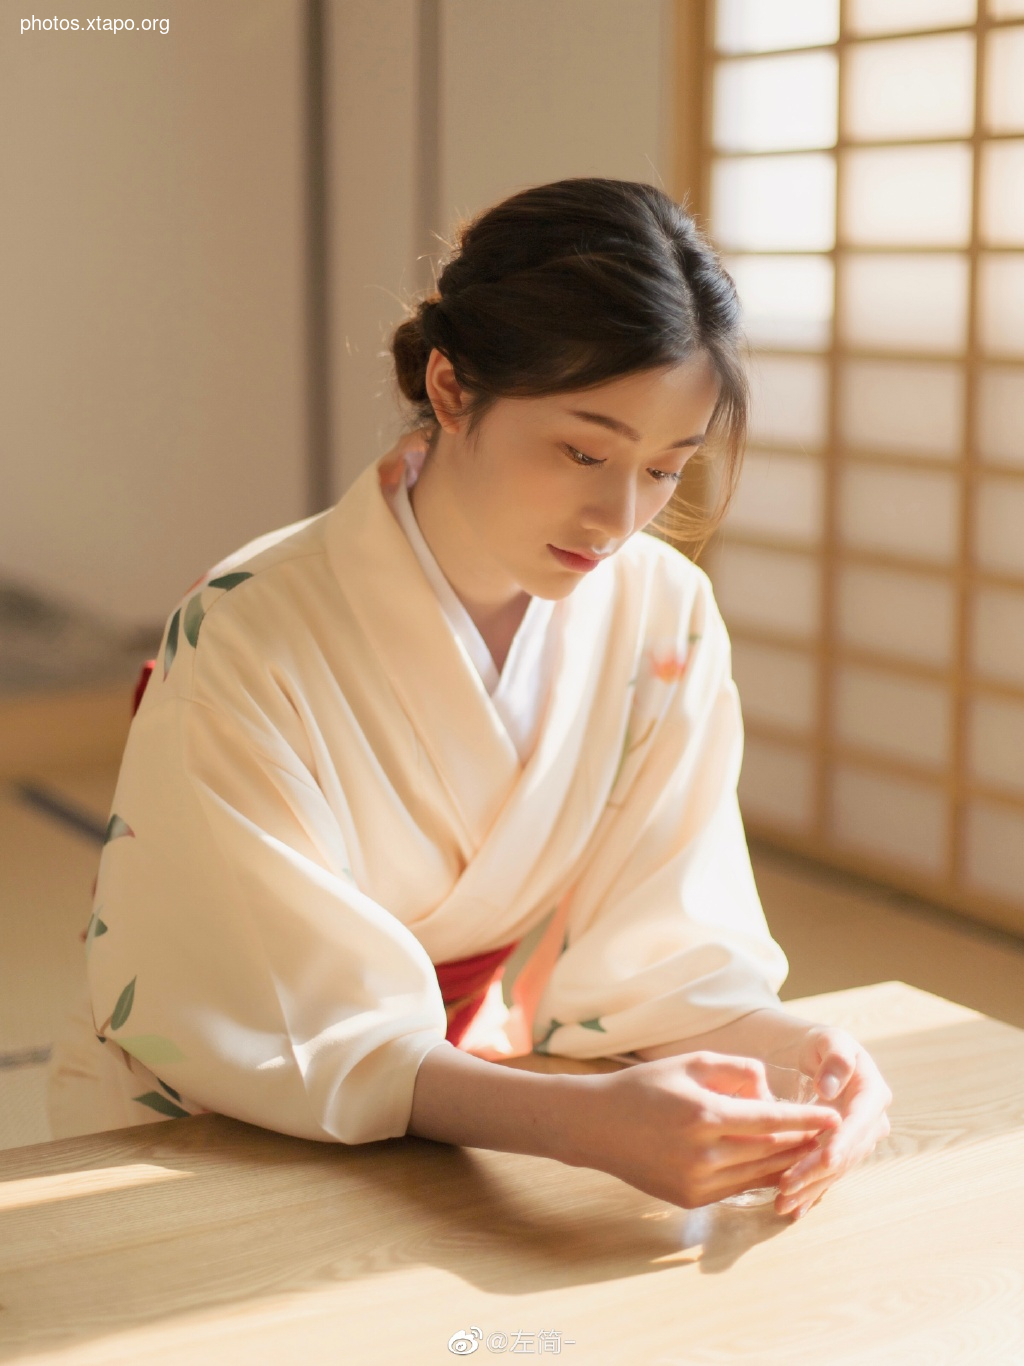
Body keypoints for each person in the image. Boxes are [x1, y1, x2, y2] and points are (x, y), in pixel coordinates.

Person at [48, 178, 890, 1218]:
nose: (618, 515)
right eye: (583, 451)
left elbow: (660, 965)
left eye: (665, 470)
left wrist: (812, 1054)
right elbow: (264, 1015)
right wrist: (584, 1124)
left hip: (489, 1110)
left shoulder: (662, 616)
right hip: (233, 1131)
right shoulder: (247, 630)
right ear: (451, 389)